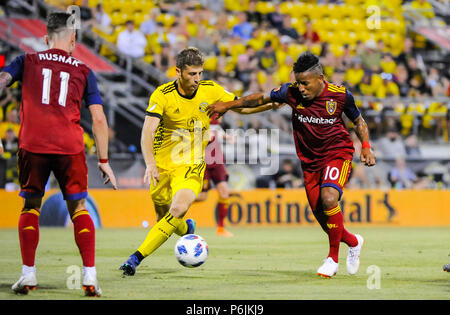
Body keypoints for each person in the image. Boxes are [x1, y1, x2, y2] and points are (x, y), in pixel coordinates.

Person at [207, 51, 376, 278]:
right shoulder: (291, 92)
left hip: (337, 154)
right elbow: (260, 99)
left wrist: (365, 145)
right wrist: (228, 104)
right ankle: (354, 242)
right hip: (309, 163)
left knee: (329, 198)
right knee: (325, 219)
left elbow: (358, 120)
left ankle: (332, 259)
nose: (301, 88)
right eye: (298, 82)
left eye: (305, 83)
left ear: (320, 78)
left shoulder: (340, 95)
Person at [120, 47, 277, 276]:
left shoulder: (210, 90)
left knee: (178, 208)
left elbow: (240, 107)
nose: (197, 79)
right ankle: (187, 228)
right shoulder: (162, 95)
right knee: (164, 218)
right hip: (162, 167)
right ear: (178, 72)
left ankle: (135, 259)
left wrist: (271, 104)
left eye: (200, 73)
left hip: (191, 166)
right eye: (192, 74)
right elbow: (147, 132)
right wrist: (151, 164)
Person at [0, 12, 117, 296]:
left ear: (45, 38)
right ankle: (89, 276)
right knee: (78, 209)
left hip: (33, 145)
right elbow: (99, 119)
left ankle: (28, 275)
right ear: (74, 39)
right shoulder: (84, 70)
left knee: (31, 207)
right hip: (70, 148)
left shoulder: (25, 61)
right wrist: (104, 161)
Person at [195, 115, 233, 237]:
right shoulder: (200, 122)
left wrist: (228, 138)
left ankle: (221, 228)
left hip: (218, 162)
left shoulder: (216, 125)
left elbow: (219, 133)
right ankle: (177, 202)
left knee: (224, 193)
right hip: (203, 164)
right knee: (202, 196)